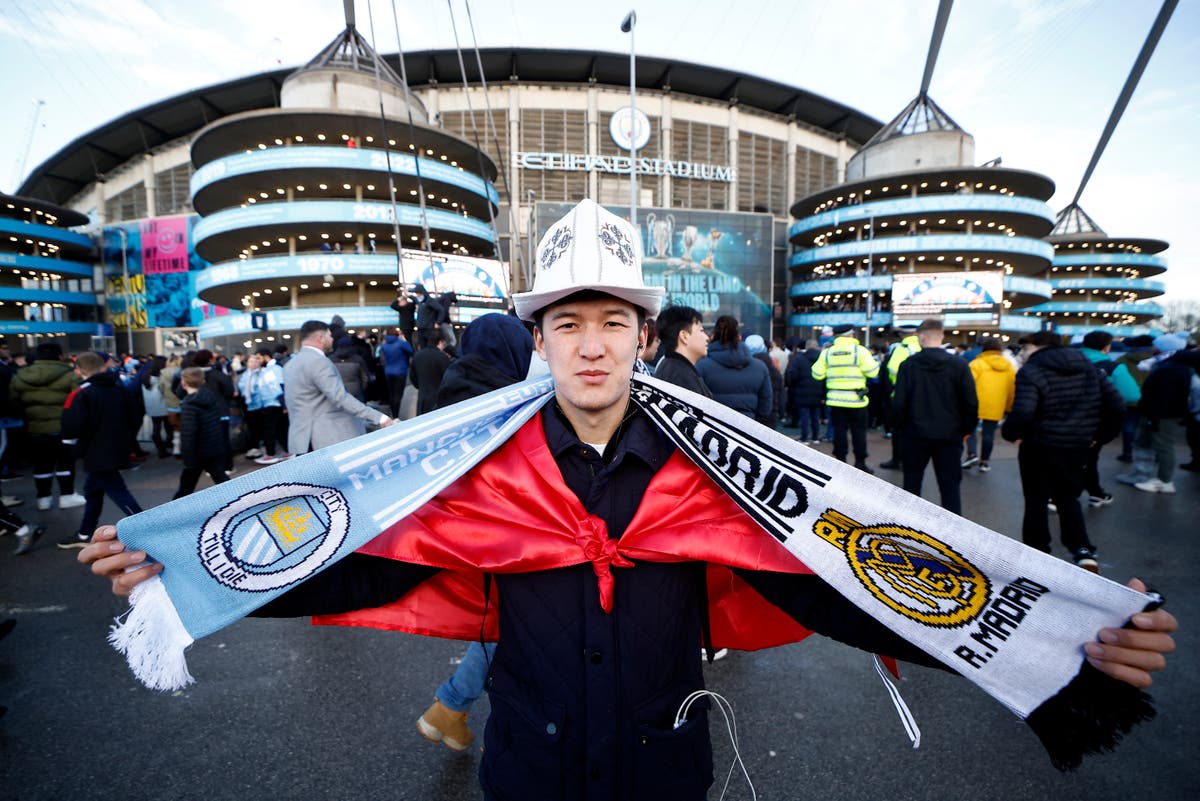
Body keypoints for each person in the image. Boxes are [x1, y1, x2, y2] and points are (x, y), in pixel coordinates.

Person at [81, 199, 1179, 801]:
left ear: (644, 336)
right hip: (526, 775)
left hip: (666, 776)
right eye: (569, 322)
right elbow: (367, 560)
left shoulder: (721, 475)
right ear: (542, 339)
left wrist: (1053, 633)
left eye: (613, 321)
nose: (592, 342)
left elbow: (847, 584)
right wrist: (183, 571)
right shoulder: (481, 475)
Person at [418, 312, 535, 751]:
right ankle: (452, 706)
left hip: (462, 531)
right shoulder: (504, 397)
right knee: (509, 623)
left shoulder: (455, 387)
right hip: (509, 532)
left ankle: (452, 709)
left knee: (498, 620)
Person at [1002, 331, 1123, 572]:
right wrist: (1099, 437)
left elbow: (1024, 411)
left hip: (1039, 446)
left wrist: (1011, 434)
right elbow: (1117, 405)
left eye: (1025, 349)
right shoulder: (1088, 366)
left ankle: (1037, 553)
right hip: (1077, 446)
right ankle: (1082, 549)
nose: (1023, 354)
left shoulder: (1032, 370)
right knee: (1068, 498)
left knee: (1036, 500)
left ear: (1037, 347)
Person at [890, 319, 978, 515]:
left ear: (921, 337)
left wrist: (899, 428)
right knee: (950, 488)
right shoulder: (959, 365)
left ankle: (908, 528)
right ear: (942, 336)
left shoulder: (908, 365)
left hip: (914, 434)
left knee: (911, 486)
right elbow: (970, 402)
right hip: (949, 435)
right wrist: (965, 430)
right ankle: (952, 535)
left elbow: (899, 403)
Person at [57, 351, 144, 549]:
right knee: (93, 490)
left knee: (117, 491)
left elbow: (71, 427)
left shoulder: (82, 393)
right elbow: (135, 416)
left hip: (95, 452)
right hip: (115, 448)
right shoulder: (119, 388)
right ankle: (84, 533)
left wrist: (71, 448)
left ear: (78, 371)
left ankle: (146, 528)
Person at [282, 320, 393, 455]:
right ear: (320, 338)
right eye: (330, 336)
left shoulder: (290, 364)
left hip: (301, 440)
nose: (332, 339)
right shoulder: (319, 362)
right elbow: (340, 397)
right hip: (326, 437)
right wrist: (379, 417)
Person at [9, 341, 85, 510]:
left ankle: (43, 499)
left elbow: (14, 402)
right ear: (59, 355)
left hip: (34, 428)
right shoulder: (69, 375)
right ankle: (67, 495)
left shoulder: (20, 375)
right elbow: (78, 400)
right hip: (62, 428)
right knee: (65, 462)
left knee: (41, 464)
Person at [1120, 335, 1198, 494]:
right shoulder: (1168, 365)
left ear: (1164, 348)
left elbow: (1165, 396)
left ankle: (1164, 481)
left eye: (1156, 346)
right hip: (1156, 413)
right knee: (1143, 442)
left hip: (1162, 415)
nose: (1152, 348)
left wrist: (1153, 415)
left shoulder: (1172, 368)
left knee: (1163, 446)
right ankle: (1141, 474)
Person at [1079, 331, 1140, 504]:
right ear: (1107, 347)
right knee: (1088, 457)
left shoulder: (1068, 362)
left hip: (1060, 417)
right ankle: (1076, 494)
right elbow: (1132, 395)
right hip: (1095, 420)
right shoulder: (1112, 367)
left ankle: (1093, 490)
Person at [810, 323, 879, 473]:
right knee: (859, 432)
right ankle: (860, 462)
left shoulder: (828, 352)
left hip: (835, 400)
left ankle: (841, 461)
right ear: (851, 334)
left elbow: (816, 374)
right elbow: (873, 372)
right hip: (857, 401)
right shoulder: (860, 351)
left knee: (839, 431)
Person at [696, 315, 773, 425]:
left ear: (713, 337)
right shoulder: (760, 367)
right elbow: (765, 406)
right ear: (739, 337)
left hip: (713, 429)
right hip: (748, 428)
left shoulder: (702, 366)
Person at [174, 367, 231, 497]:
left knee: (185, 488)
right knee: (222, 480)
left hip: (198, 452)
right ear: (203, 381)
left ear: (183, 383)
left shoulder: (189, 405)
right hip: (214, 447)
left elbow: (189, 434)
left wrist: (188, 459)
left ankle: (171, 514)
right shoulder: (210, 397)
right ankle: (242, 503)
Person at [965, 337, 1015, 473]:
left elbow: (967, 386)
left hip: (975, 404)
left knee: (970, 430)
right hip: (996, 405)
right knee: (989, 434)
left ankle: (972, 454)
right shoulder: (1008, 366)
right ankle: (984, 462)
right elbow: (1012, 389)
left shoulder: (976, 364)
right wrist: (1009, 408)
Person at [879, 325, 920, 470]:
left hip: (901, 394)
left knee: (899, 430)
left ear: (902, 334)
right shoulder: (922, 346)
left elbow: (892, 369)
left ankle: (898, 460)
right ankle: (913, 460)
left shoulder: (902, 348)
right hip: (920, 396)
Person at [651, 305, 711, 398]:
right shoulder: (682, 379)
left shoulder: (671, 367)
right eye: (701, 330)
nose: (707, 337)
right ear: (684, 336)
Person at [238, 352, 286, 465]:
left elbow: (274, 387)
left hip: (269, 404)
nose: (253, 363)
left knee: (271, 429)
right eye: (250, 361)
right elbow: (242, 388)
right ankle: (272, 451)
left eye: (255, 361)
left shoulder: (265, 372)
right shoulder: (246, 375)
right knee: (267, 430)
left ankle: (271, 453)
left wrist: (283, 404)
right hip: (253, 407)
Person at [784, 340, 823, 444]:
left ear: (806, 347)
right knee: (816, 415)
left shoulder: (799, 359)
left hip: (802, 390)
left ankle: (805, 437)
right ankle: (815, 437)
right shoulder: (822, 358)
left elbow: (792, 375)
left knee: (804, 415)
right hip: (818, 391)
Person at [408, 329, 451, 416]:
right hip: (439, 400)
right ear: (440, 342)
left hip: (422, 399)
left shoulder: (417, 355)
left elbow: (412, 377)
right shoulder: (442, 357)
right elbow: (449, 379)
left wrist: (420, 386)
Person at [378, 329, 414, 419]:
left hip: (388, 371)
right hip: (400, 371)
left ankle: (393, 414)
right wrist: (405, 340)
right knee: (398, 394)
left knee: (392, 394)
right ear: (397, 334)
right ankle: (396, 415)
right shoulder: (401, 343)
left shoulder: (384, 345)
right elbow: (410, 351)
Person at [330, 336, 370, 402]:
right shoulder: (358, 359)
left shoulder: (331, 359)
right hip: (356, 392)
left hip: (337, 391)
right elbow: (365, 378)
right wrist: (361, 389)